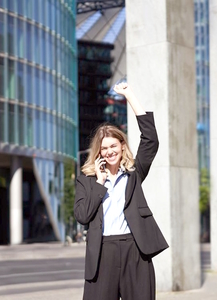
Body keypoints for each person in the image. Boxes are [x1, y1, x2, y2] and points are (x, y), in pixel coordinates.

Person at [74, 82, 168, 299]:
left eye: (113, 146)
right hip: (102, 253)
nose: (109, 152)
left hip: (134, 250)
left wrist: (130, 96)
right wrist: (99, 183)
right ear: (98, 153)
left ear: (122, 146)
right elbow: (82, 216)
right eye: (104, 148)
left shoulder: (134, 173)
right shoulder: (86, 180)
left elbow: (151, 140)